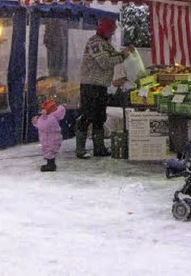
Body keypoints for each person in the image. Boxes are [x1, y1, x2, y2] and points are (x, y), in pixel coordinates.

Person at [77, 18, 131, 159]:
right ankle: (80, 149)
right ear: (105, 30)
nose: (112, 34)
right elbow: (105, 62)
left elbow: (113, 55)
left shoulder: (105, 43)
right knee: (87, 116)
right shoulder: (95, 42)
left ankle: (99, 148)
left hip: (101, 86)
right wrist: (122, 57)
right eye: (111, 31)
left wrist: (124, 53)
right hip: (90, 85)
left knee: (99, 117)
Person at [32, 99, 66, 172]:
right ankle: (50, 164)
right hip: (49, 138)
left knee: (49, 151)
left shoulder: (51, 119)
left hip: (51, 139)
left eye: (44, 110)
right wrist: (37, 122)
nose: (42, 111)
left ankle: (51, 165)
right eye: (42, 110)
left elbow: (43, 126)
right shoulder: (48, 117)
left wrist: (36, 122)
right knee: (48, 151)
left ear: (50, 110)